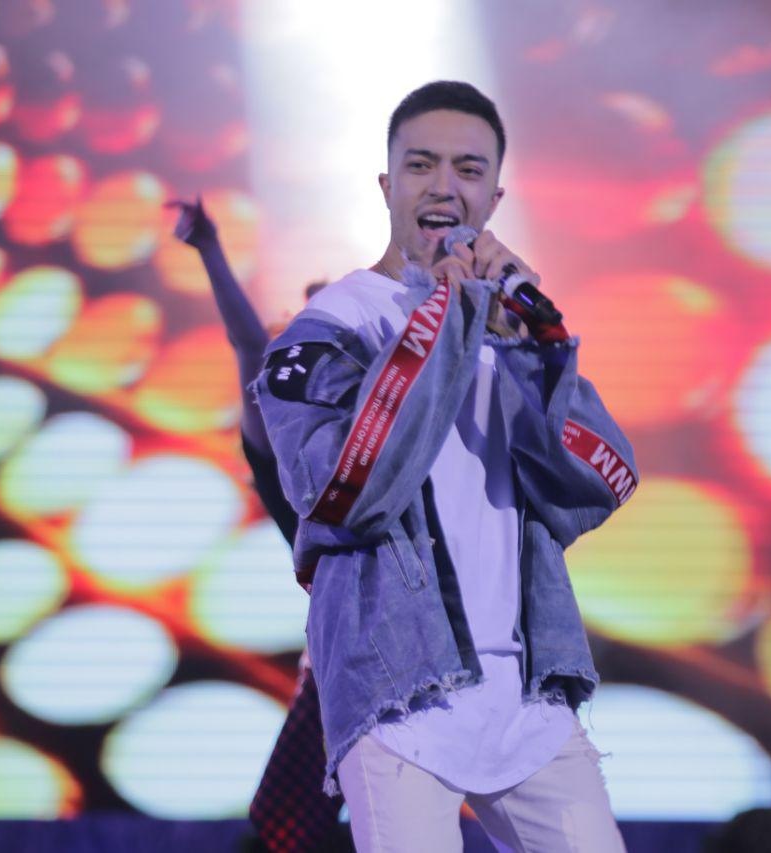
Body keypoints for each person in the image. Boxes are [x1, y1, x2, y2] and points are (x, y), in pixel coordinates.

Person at [251, 80, 638, 851]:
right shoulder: (331, 326)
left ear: (494, 197)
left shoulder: (505, 326)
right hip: (399, 686)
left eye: (468, 169)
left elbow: (601, 478)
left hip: (528, 689)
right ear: (388, 185)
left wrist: (530, 346)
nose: (443, 186)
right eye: (421, 164)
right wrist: (447, 316)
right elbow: (346, 493)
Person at [168, 199, 346, 853]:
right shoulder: (284, 439)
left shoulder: (400, 423)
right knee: (283, 827)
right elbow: (249, 345)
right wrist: (211, 249)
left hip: (430, 651)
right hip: (345, 660)